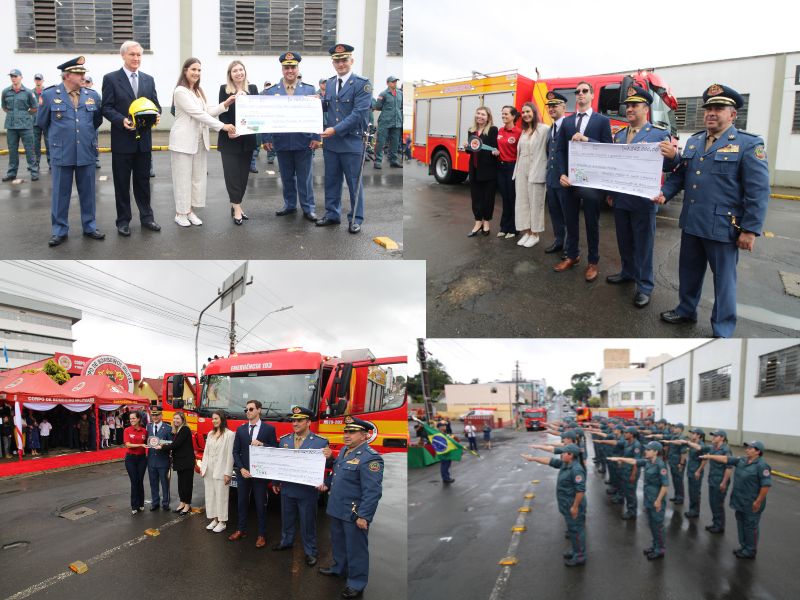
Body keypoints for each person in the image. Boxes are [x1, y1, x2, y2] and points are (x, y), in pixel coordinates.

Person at [655, 84, 770, 337]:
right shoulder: (695, 141)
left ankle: (722, 328)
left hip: (723, 227)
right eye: (708, 108)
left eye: (719, 108)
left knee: (724, 281)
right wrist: (665, 193)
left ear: (733, 114)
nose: (711, 113)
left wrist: (750, 230)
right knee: (688, 272)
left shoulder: (748, 144)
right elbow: (681, 174)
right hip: (692, 222)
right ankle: (686, 310)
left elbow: (758, 191)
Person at [607, 85, 679, 308]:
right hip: (621, 199)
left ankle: (645, 286)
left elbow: (669, 166)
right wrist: (610, 193)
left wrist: (674, 156)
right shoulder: (619, 135)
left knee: (644, 246)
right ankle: (627, 272)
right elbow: (615, 167)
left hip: (644, 201)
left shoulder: (658, 133)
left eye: (634, 105)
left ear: (646, 108)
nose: (629, 109)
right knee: (624, 241)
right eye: (627, 105)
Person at [36, 57, 105, 247]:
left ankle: (90, 226)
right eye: (79, 73)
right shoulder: (50, 95)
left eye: (83, 73)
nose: (83, 77)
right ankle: (59, 230)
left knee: (88, 192)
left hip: (86, 151)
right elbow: (42, 122)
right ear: (67, 75)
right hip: (61, 152)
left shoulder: (92, 95)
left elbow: (96, 120)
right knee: (60, 194)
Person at [101, 40, 162, 236]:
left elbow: (156, 105)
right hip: (122, 141)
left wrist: (157, 115)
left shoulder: (148, 80)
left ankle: (147, 218)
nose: (136, 58)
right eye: (132, 54)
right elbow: (106, 107)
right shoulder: (111, 79)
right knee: (122, 183)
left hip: (143, 141)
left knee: (143, 182)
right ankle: (123, 220)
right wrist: (121, 120)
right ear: (123, 56)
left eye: (139, 55)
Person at [319, 416, 384, 599]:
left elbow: (372, 491)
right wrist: (327, 484)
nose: (347, 435)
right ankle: (339, 568)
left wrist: (364, 516)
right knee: (338, 542)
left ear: (364, 435)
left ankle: (356, 582)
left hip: (354, 512)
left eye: (352, 432)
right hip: (337, 507)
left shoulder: (370, 458)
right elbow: (337, 473)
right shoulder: (345, 451)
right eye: (346, 431)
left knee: (356, 549)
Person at [554, 81, 613, 281]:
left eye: (585, 91)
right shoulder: (567, 122)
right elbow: (560, 150)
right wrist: (562, 173)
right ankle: (572, 255)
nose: (580, 94)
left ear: (592, 95)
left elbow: (608, 149)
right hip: (570, 181)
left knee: (591, 223)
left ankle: (593, 262)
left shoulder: (602, 121)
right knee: (570, 220)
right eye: (577, 91)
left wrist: (588, 140)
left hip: (592, 182)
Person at [169, 57, 237, 227]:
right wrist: (222, 126)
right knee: (182, 179)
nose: (196, 73)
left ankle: (190, 211)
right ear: (185, 71)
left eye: (199, 70)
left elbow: (206, 111)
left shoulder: (198, 91)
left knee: (197, 179)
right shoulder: (180, 91)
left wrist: (225, 104)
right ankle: (180, 213)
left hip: (200, 140)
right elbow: (197, 114)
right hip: (183, 141)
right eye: (193, 69)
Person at [318, 43, 372, 234]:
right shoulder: (330, 83)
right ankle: (332, 214)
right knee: (331, 181)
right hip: (332, 143)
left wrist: (335, 129)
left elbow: (358, 114)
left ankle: (356, 218)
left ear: (351, 60)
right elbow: (329, 106)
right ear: (333, 63)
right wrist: (314, 103)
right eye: (337, 61)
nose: (340, 64)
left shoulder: (362, 84)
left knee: (354, 183)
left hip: (351, 141)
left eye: (344, 60)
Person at [262, 52, 320, 222]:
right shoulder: (271, 92)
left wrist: (316, 136)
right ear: (282, 69)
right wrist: (266, 138)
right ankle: (290, 205)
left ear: (297, 68)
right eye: (286, 67)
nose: (290, 70)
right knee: (286, 177)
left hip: (304, 141)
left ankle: (308, 208)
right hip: (281, 142)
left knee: (305, 178)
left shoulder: (309, 90)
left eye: (293, 67)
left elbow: (316, 115)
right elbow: (265, 115)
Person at [272, 406, 331, 565]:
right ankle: (286, 541)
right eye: (293, 421)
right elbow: (279, 463)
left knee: (307, 522)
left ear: (308, 422)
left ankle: (310, 551)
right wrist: (276, 482)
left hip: (307, 491)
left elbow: (328, 465)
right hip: (287, 488)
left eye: (299, 420)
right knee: (287, 519)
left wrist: (329, 458)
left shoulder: (320, 442)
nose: (295, 423)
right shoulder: (284, 440)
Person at [701, 440, 771, 558]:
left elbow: (766, 486)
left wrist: (758, 501)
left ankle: (750, 550)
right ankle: (744, 546)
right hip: (739, 500)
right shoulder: (742, 460)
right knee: (741, 524)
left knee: (750, 526)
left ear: (758, 452)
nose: (747, 450)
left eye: (750, 448)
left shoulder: (762, 466)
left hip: (752, 502)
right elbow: (726, 459)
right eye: (747, 448)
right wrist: (709, 456)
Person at [521, 444, 587, 566]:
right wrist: (533, 458)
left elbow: (580, 491)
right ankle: (575, 550)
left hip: (573, 505)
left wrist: (575, 507)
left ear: (571, 455)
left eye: (564, 453)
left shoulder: (576, 469)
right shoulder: (565, 464)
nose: (561, 455)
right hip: (566, 504)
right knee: (572, 530)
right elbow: (549, 461)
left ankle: (580, 556)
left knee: (576, 531)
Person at [229, 399, 278, 548]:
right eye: (246, 410)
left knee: (260, 504)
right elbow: (235, 451)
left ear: (259, 410)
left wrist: (262, 444)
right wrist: (241, 468)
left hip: (260, 474)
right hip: (243, 473)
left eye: (251, 409)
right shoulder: (241, 429)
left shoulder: (269, 429)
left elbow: (275, 450)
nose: (248, 412)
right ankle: (241, 529)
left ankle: (262, 534)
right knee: (242, 502)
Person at [609, 441, 669, 559]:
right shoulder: (648, 462)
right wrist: (619, 458)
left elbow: (665, 485)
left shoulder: (660, 465)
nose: (645, 451)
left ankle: (660, 549)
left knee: (657, 525)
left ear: (655, 452)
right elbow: (633, 461)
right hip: (649, 498)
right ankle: (655, 545)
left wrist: (658, 501)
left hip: (656, 499)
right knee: (652, 524)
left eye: (648, 450)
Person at [217, 60, 258, 225]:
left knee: (243, 177)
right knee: (232, 176)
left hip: (247, 140)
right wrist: (228, 129)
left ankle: (235, 204)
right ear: (230, 74)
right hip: (230, 139)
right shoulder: (224, 89)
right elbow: (222, 113)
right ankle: (238, 209)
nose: (239, 73)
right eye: (235, 70)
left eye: (241, 69)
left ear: (245, 72)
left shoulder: (252, 89)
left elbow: (257, 112)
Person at [513, 102, 549, 248]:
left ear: (534, 112)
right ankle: (527, 232)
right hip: (521, 168)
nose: (525, 114)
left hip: (536, 168)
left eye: (528, 111)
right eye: (523, 112)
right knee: (522, 202)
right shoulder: (524, 131)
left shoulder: (544, 129)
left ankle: (535, 234)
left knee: (536, 203)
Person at [463, 106, 498, 237]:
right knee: (476, 197)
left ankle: (486, 222)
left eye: (483, 114)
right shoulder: (471, 130)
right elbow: (470, 151)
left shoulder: (493, 130)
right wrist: (466, 147)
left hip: (489, 170)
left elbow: (496, 148)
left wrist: (496, 152)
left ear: (488, 117)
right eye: (478, 113)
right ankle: (478, 222)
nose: (480, 116)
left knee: (488, 198)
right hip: (474, 169)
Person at [200, 410, 235, 533]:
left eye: (216, 418)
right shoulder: (210, 434)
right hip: (209, 469)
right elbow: (206, 452)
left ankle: (222, 522)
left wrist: (228, 473)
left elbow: (230, 455)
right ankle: (214, 519)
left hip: (221, 469)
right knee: (211, 496)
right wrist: (203, 467)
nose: (214, 421)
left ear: (222, 419)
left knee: (221, 496)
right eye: (213, 419)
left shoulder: (229, 434)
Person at [2, 68, 38, 182]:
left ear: (21, 77)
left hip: (26, 126)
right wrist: (13, 115)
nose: (13, 78)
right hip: (11, 126)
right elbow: (4, 107)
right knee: (12, 150)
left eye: (15, 76)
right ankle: (11, 173)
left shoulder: (28, 92)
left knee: (30, 149)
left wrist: (24, 115)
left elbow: (34, 107)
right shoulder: (5, 92)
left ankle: (34, 172)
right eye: (11, 76)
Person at [544, 92, 568, 255]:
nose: (551, 108)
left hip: (564, 179)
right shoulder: (550, 128)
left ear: (564, 107)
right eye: (549, 106)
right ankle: (559, 241)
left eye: (555, 105)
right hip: (552, 179)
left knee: (567, 215)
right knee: (555, 213)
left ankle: (569, 247)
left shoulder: (569, 126)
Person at [494, 105, 521, 239]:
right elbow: (496, 147)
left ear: (513, 116)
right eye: (503, 114)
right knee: (504, 198)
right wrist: (495, 151)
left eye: (506, 114)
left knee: (512, 198)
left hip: (512, 167)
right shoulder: (500, 130)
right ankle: (504, 227)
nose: (503, 116)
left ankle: (514, 228)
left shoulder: (518, 132)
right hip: (500, 167)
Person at [670, 427, 709, 518]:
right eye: (692, 433)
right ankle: (692, 510)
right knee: (691, 491)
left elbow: (705, 459)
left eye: (693, 433)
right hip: (691, 471)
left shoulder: (701, 445)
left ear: (698, 435)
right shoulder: (692, 443)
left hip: (696, 472)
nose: (691, 435)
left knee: (695, 492)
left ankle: (695, 511)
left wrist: (699, 471)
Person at [702, 429, 733, 533]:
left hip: (720, 481)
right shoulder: (714, 448)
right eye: (713, 436)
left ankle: (719, 526)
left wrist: (724, 482)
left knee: (718, 504)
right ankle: (715, 523)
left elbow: (729, 468)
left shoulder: (726, 450)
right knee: (713, 503)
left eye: (715, 436)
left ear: (722, 438)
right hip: (712, 479)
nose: (713, 437)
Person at [372, 75, 403, 169]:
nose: (395, 83)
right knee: (381, 142)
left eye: (396, 81)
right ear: (388, 83)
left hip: (396, 122)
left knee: (395, 143)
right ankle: (377, 161)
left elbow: (401, 106)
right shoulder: (383, 94)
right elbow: (378, 106)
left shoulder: (400, 93)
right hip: (385, 121)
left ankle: (393, 160)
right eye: (393, 81)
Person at [146, 407, 173, 511]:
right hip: (151, 460)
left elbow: (171, 442)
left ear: (161, 415)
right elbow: (147, 440)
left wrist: (162, 443)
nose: (155, 417)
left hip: (163, 460)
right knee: (153, 483)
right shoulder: (148, 427)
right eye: (153, 415)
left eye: (157, 415)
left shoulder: (168, 428)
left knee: (165, 483)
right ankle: (155, 502)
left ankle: (165, 503)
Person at [168, 411, 194, 515]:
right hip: (180, 461)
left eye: (178, 418)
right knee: (181, 484)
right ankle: (182, 503)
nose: (175, 420)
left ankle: (187, 505)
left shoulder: (185, 429)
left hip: (186, 462)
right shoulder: (178, 430)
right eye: (174, 418)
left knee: (187, 484)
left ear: (183, 420)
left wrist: (162, 446)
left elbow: (176, 445)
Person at [123, 410, 148, 515]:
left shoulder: (144, 431)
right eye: (130, 418)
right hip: (130, 459)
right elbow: (128, 445)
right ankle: (134, 505)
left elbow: (149, 442)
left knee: (140, 481)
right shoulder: (127, 430)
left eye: (133, 418)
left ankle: (141, 503)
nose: (131, 420)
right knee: (134, 481)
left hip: (142, 459)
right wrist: (141, 445)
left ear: (138, 419)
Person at [81, 75, 102, 169]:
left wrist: (93, 126)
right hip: (81, 124)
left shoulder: (95, 95)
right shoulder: (79, 94)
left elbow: (99, 113)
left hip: (92, 124)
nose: (85, 84)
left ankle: (95, 159)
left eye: (88, 82)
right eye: (84, 81)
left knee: (93, 142)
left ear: (92, 84)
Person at [31, 73, 50, 171]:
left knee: (49, 143)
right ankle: (36, 163)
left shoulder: (47, 92)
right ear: (34, 80)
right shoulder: (30, 93)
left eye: (39, 79)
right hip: (34, 122)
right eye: (36, 79)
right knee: (35, 144)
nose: (38, 81)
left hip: (46, 121)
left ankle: (51, 162)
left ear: (43, 81)